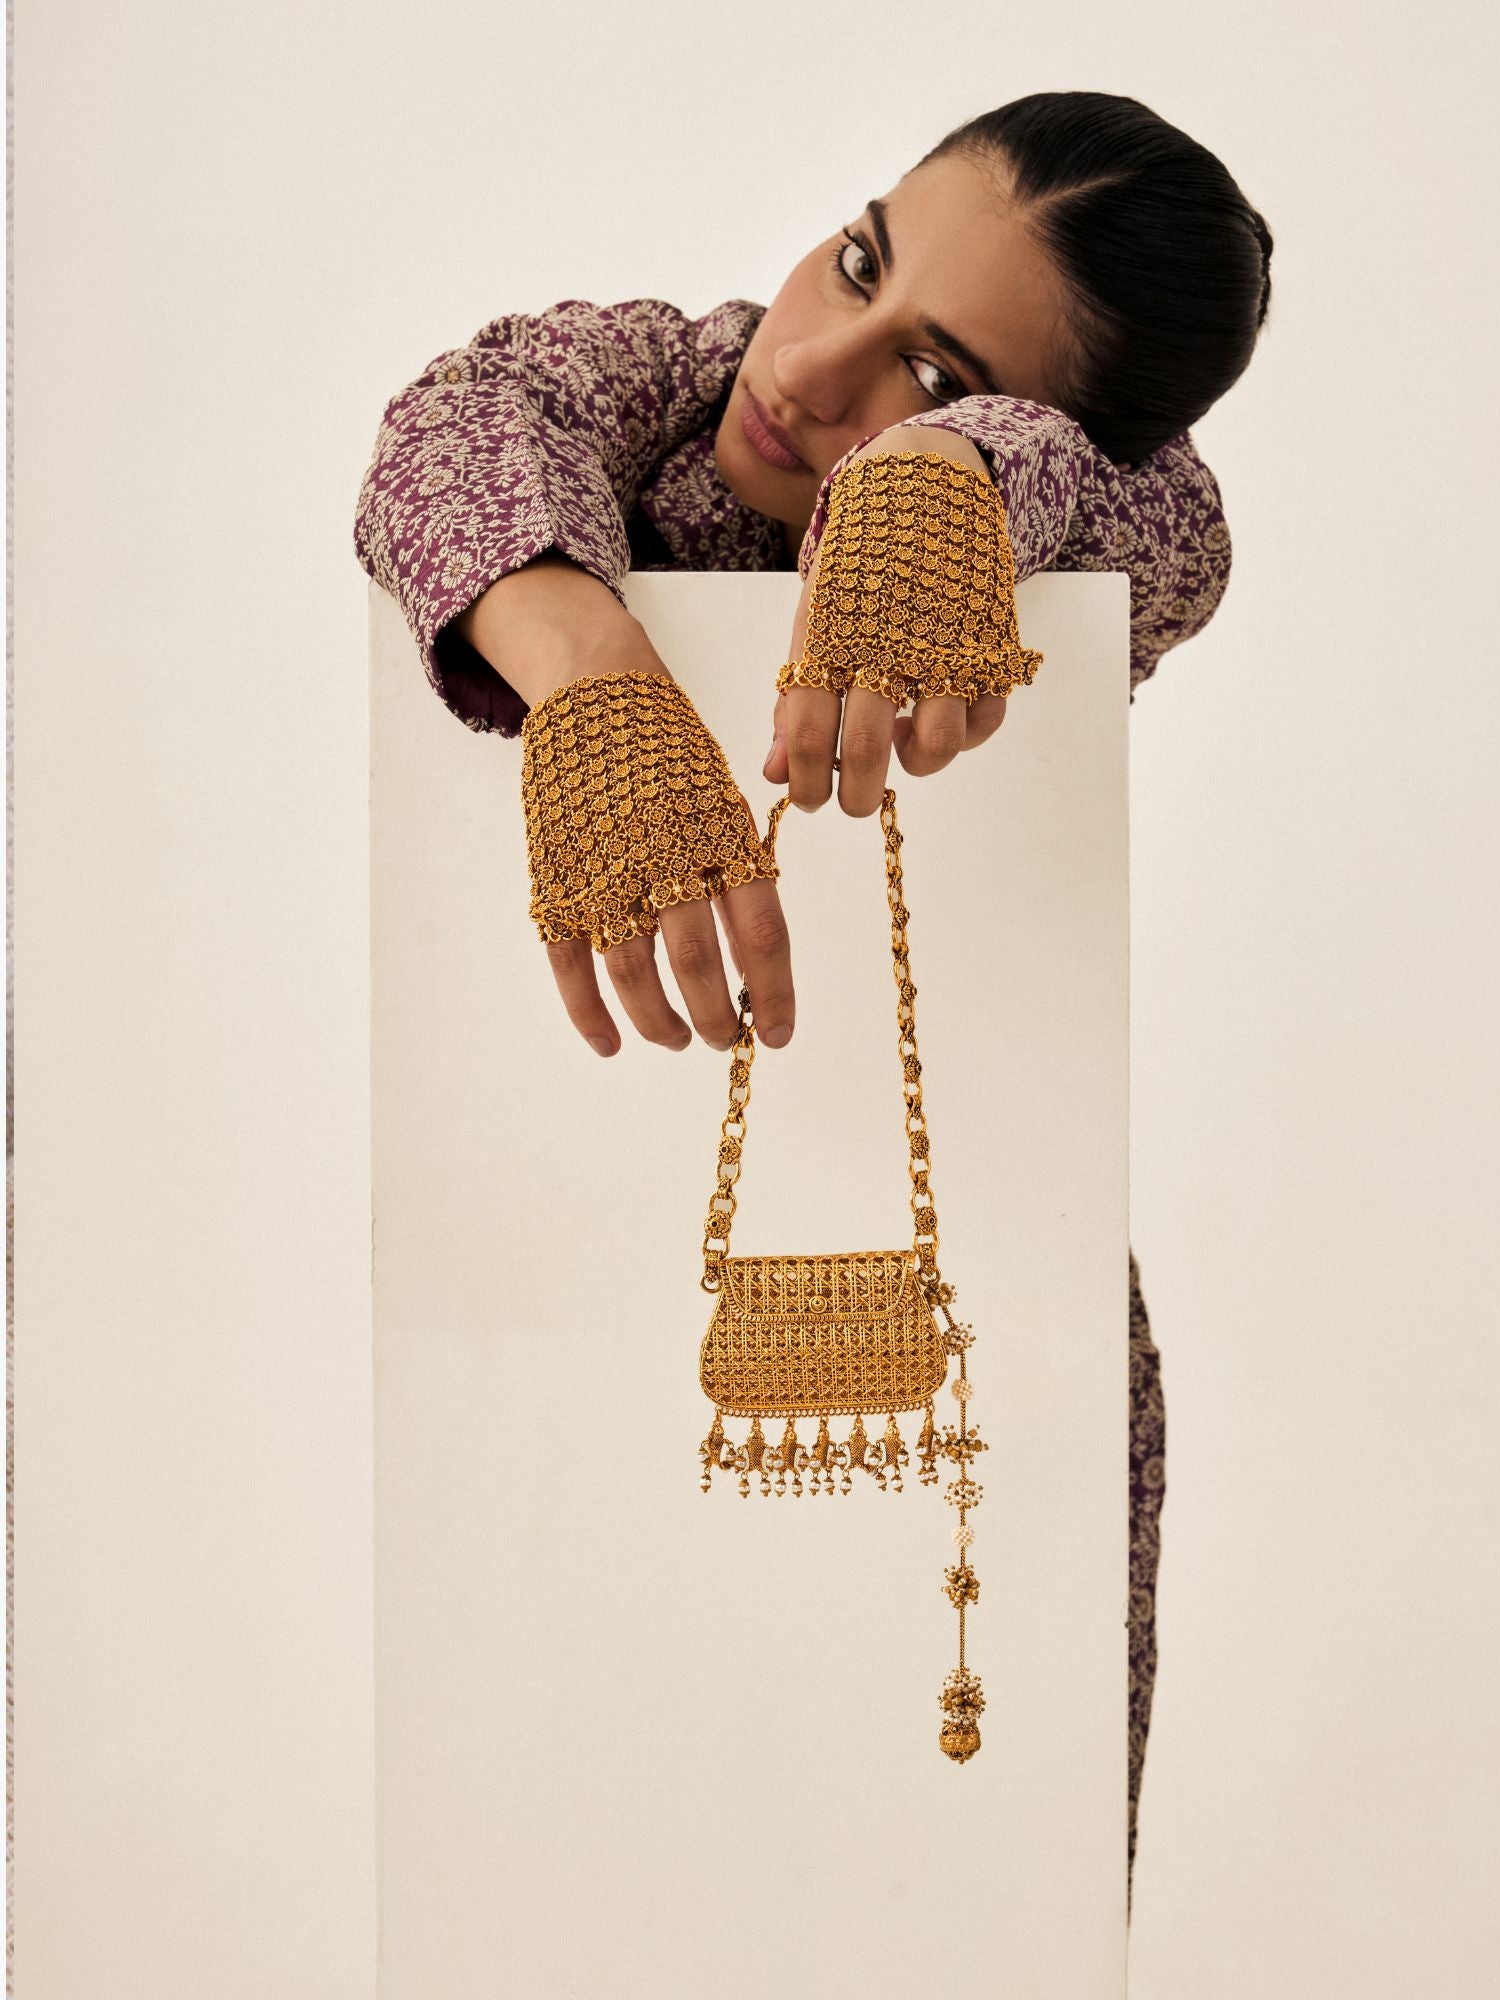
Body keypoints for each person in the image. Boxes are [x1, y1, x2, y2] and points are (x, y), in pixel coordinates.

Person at [353, 88, 1272, 1910]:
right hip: (546, 1320)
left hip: (979, 1368)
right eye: (861, 261)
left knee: (969, 1897)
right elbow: (456, 420)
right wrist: (588, 668)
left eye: (933, 372)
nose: (811, 368)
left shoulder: (1096, 522)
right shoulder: (667, 378)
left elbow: (1174, 531)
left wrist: (956, 478)